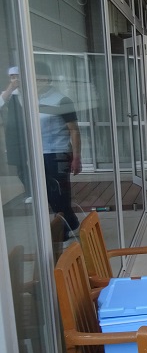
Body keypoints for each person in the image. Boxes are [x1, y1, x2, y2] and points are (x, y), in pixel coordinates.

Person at [35, 61, 82, 237]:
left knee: (60, 192)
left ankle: (63, 229)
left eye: (38, 78)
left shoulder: (61, 100)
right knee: (46, 192)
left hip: (58, 152)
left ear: (46, 79)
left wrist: (76, 157)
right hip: (39, 153)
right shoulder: (30, 99)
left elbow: (74, 130)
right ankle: (70, 222)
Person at [0, 66, 30, 204]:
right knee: (21, 166)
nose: (15, 79)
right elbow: (1, 101)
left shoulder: (29, 91)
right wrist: (11, 88)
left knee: (34, 164)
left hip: (29, 133)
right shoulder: (9, 94)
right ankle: (30, 191)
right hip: (15, 136)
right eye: (12, 77)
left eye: (17, 76)